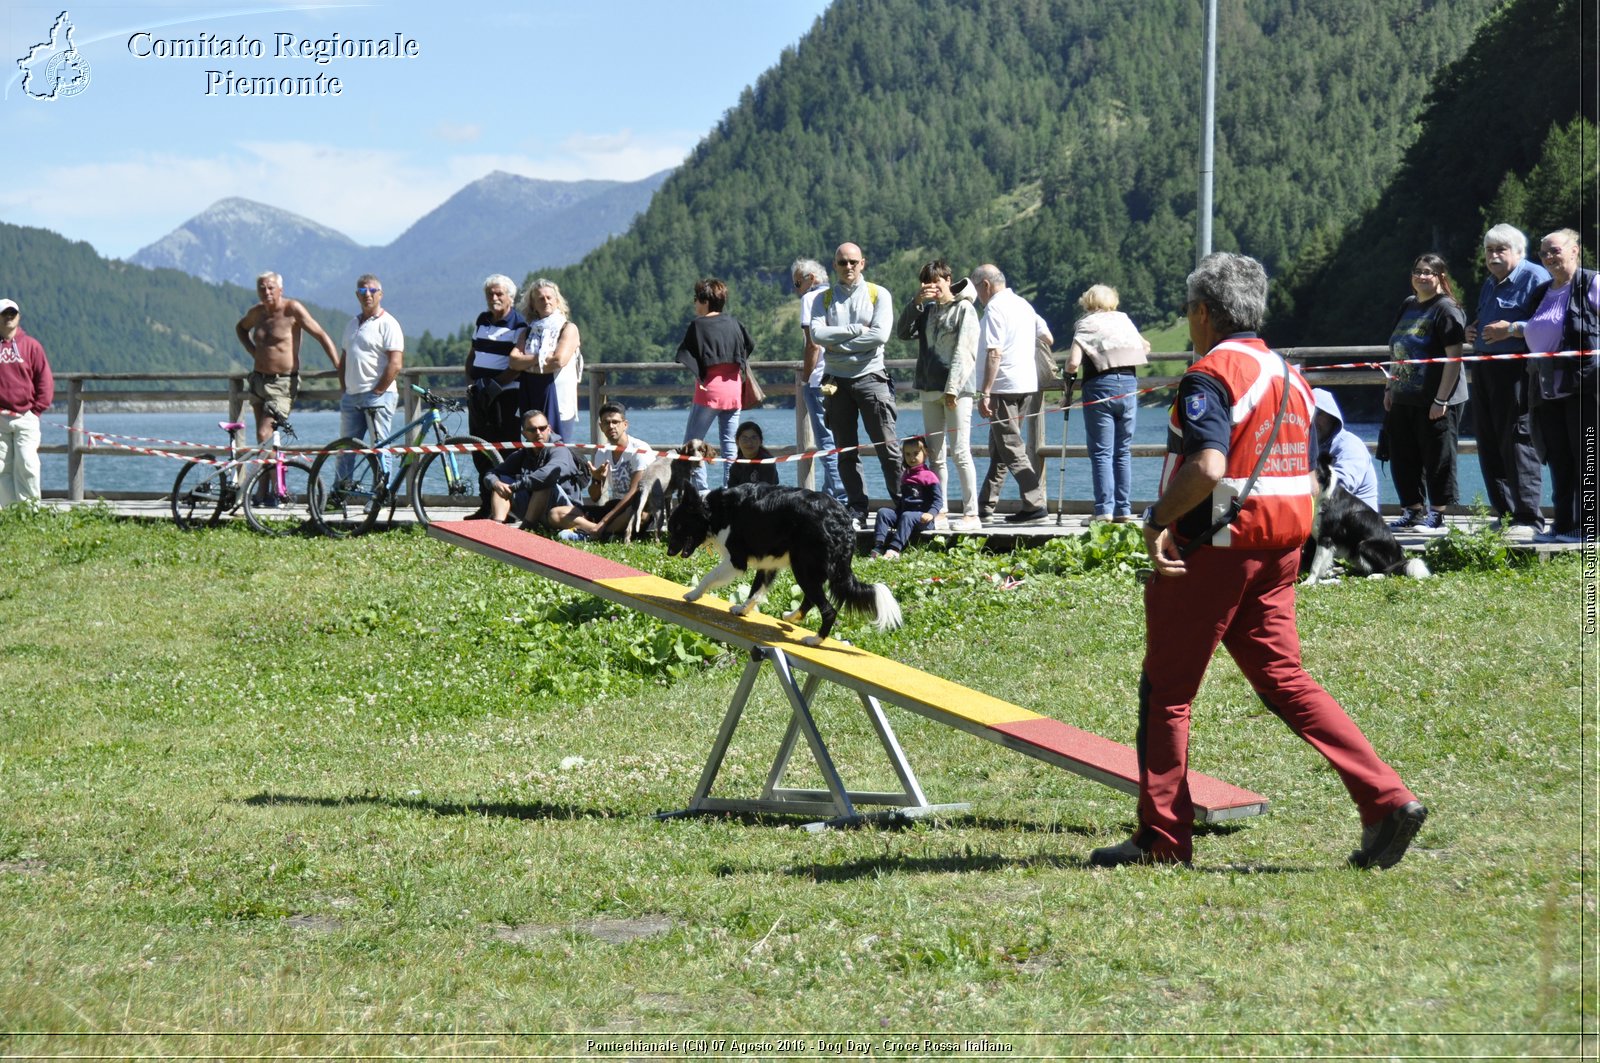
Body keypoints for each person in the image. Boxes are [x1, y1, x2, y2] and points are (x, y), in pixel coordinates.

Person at [1090, 251, 1426, 870]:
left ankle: (1162, 840)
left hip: (1212, 553)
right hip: (1280, 551)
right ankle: (1386, 797)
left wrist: (1157, 520)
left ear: (1201, 312)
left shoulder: (1210, 375)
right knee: (1287, 681)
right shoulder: (1289, 374)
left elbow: (1209, 466)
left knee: (1167, 694)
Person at [1463, 224, 1550, 539]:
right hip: (1485, 370)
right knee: (1488, 442)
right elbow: (1486, 320)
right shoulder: (1490, 282)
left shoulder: (1535, 278)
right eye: (1489, 250)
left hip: (1517, 370)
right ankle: (1506, 514)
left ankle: (1528, 518)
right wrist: (1472, 331)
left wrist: (1511, 329)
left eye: (1501, 249)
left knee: (1516, 440)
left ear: (1518, 251)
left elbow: (1549, 325)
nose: (1493, 256)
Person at [811, 242, 900, 524]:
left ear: (863, 263)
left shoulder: (878, 294)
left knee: (888, 447)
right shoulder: (821, 300)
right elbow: (816, 335)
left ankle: (902, 504)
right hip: (835, 382)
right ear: (834, 265)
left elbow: (879, 336)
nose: (848, 267)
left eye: (853, 262)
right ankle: (857, 508)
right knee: (845, 450)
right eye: (842, 262)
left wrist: (838, 345)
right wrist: (853, 332)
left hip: (872, 377)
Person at [1525, 228, 1599, 544]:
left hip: (1586, 386)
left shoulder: (1591, 283)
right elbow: (1531, 329)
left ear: (1575, 250)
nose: (1549, 258)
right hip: (1548, 389)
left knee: (1587, 455)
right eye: (1543, 253)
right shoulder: (1542, 291)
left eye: (1555, 250)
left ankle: (1589, 527)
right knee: (1558, 457)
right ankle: (1564, 524)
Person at [1383, 253, 1467, 530]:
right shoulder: (1408, 305)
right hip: (1403, 394)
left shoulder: (1447, 309)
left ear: (1441, 277)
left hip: (1435, 398)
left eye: (1428, 272)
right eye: (1417, 271)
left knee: (1437, 456)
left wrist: (1441, 399)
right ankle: (1412, 510)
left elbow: (1454, 358)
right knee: (1403, 456)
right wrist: (1389, 386)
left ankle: (1438, 514)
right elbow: (1397, 349)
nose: (1421, 276)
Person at [898, 259, 981, 530]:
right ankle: (940, 508)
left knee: (960, 451)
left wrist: (953, 389)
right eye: (926, 282)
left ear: (948, 279)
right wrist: (916, 303)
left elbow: (965, 351)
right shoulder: (926, 310)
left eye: (936, 280)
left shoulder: (965, 309)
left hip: (957, 390)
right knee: (935, 455)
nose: (932, 286)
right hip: (928, 387)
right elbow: (902, 332)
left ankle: (971, 514)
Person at [1065, 284, 1150, 522]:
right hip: (1129, 385)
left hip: (1099, 386)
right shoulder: (1124, 319)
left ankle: (1104, 510)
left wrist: (1068, 379)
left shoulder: (1086, 323)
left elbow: (1073, 363)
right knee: (1122, 451)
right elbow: (1145, 346)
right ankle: (1123, 509)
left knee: (1102, 452)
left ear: (1088, 302)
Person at [973, 263, 1051, 524]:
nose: (977, 296)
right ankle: (985, 504)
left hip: (1003, 386)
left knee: (1010, 446)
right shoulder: (1024, 305)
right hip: (1026, 382)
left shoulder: (995, 307)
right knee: (1000, 447)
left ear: (985, 285)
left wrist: (985, 392)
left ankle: (1035, 503)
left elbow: (994, 352)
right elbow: (1047, 337)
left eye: (977, 289)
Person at [233, 271, 340, 443]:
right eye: (262, 289)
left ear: (280, 290)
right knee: (264, 442)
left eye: (270, 288)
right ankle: (272, 470)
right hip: (258, 381)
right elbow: (241, 329)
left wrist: (337, 364)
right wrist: (254, 352)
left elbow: (320, 334)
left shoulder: (292, 309)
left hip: (282, 384)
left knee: (264, 433)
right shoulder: (257, 312)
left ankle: (265, 469)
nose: (266, 292)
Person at [675, 278, 754, 491]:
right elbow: (749, 345)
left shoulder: (698, 326)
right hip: (734, 390)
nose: (694, 304)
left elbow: (684, 353)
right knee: (730, 445)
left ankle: (701, 490)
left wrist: (701, 371)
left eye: (695, 299)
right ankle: (730, 488)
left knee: (693, 443)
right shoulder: (734, 323)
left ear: (705, 301)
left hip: (708, 391)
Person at [480, 411, 599, 537]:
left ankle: (526, 529)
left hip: (564, 510)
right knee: (501, 482)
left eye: (542, 428)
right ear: (524, 433)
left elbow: (546, 475)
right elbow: (492, 473)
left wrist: (515, 487)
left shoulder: (560, 450)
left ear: (549, 429)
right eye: (532, 430)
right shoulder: (523, 454)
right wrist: (496, 483)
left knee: (544, 482)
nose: (538, 433)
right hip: (536, 508)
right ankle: (497, 528)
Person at [337, 274, 404, 482]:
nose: (368, 295)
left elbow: (395, 363)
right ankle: (339, 494)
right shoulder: (351, 324)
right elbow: (345, 359)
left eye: (373, 290)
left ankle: (380, 496)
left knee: (380, 447)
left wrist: (378, 391)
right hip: (352, 396)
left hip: (378, 397)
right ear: (357, 295)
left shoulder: (388, 323)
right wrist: (344, 388)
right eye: (363, 291)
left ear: (380, 294)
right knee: (345, 447)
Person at [792, 258, 848, 504]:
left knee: (825, 440)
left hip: (819, 378)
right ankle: (832, 493)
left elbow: (812, 344)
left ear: (811, 279)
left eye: (797, 283)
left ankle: (840, 497)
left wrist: (805, 379)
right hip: (842, 376)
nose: (796, 289)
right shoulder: (838, 294)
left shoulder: (810, 299)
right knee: (842, 437)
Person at [464, 275, 528, 476]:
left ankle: (508, 498)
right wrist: (472, 383)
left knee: (505, 447)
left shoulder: (519, 324)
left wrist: (494, 386)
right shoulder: (482, 319)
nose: (494, 298)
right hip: (479, 393)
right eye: (490, 294)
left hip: (505, 395)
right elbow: (473, 354)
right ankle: (486, 499)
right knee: (479, 445)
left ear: (511, 297)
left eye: (499, 293)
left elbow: (517, 365)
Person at [511, 279, 582, 445]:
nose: (546, 301)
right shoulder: (527, 331)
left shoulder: (568, 328)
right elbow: (513, 361)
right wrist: (541, 358)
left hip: (557, 395)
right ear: (533, 305)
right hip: (530, 391)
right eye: (540, 298)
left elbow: (558, 361)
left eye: (550, 297)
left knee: (558, 446)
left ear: (557, 301)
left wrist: (527, 363)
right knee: (533, 447)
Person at [0, 299, 55, 507]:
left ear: (18, 317)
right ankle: (9, 512)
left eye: (12, 314)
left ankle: (30, 511)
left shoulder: (31, 346)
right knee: (2, 467)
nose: (8, 317)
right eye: (4, 314)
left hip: (26, 417)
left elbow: (44, 379)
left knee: (28, 464)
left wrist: (37, 410)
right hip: (0, 419)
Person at [581, 402, 658, 539]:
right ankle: (601, 532)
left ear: (625, 424)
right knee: (557, 513)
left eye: (615, 422)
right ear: (601, 426)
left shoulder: (639, 450)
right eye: (606, 423)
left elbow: (634, 493)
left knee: (639, 514)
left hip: (638, 506)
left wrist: (604, 521)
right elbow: (594, 497)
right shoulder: (602, 451)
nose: (611, 426)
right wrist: (597, 479)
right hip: (614, 507)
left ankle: (593, 532)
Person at [871, 436, 944, 560]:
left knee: (907, 516)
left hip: (922, 519)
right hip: (905, 516)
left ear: (925, 453)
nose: (912, 458)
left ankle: (894, 549)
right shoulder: (906, 475)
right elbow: (904, 500)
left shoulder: (929, 476)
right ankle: (879, 545)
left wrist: (931, 514)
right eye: (908, 454)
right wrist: (897, 512)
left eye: (916, 453)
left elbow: (938, 500)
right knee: (883, 512)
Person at [1311, 387, 1381, 511]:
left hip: (1359, 522)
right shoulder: (1307, 447)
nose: (1313, 419)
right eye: (1308, 413)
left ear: (1332, 417)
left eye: (1319, 413)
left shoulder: (1350, 445)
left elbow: (1339, 487)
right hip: (1328, 519)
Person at [727, 420, 780, 488]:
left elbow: (766, 492)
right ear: (737, 442)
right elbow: (730, 492)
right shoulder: (735, 466)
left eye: (753, 438)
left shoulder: (767, 463)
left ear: (760, 441)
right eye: (744, 438)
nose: (749, 443)